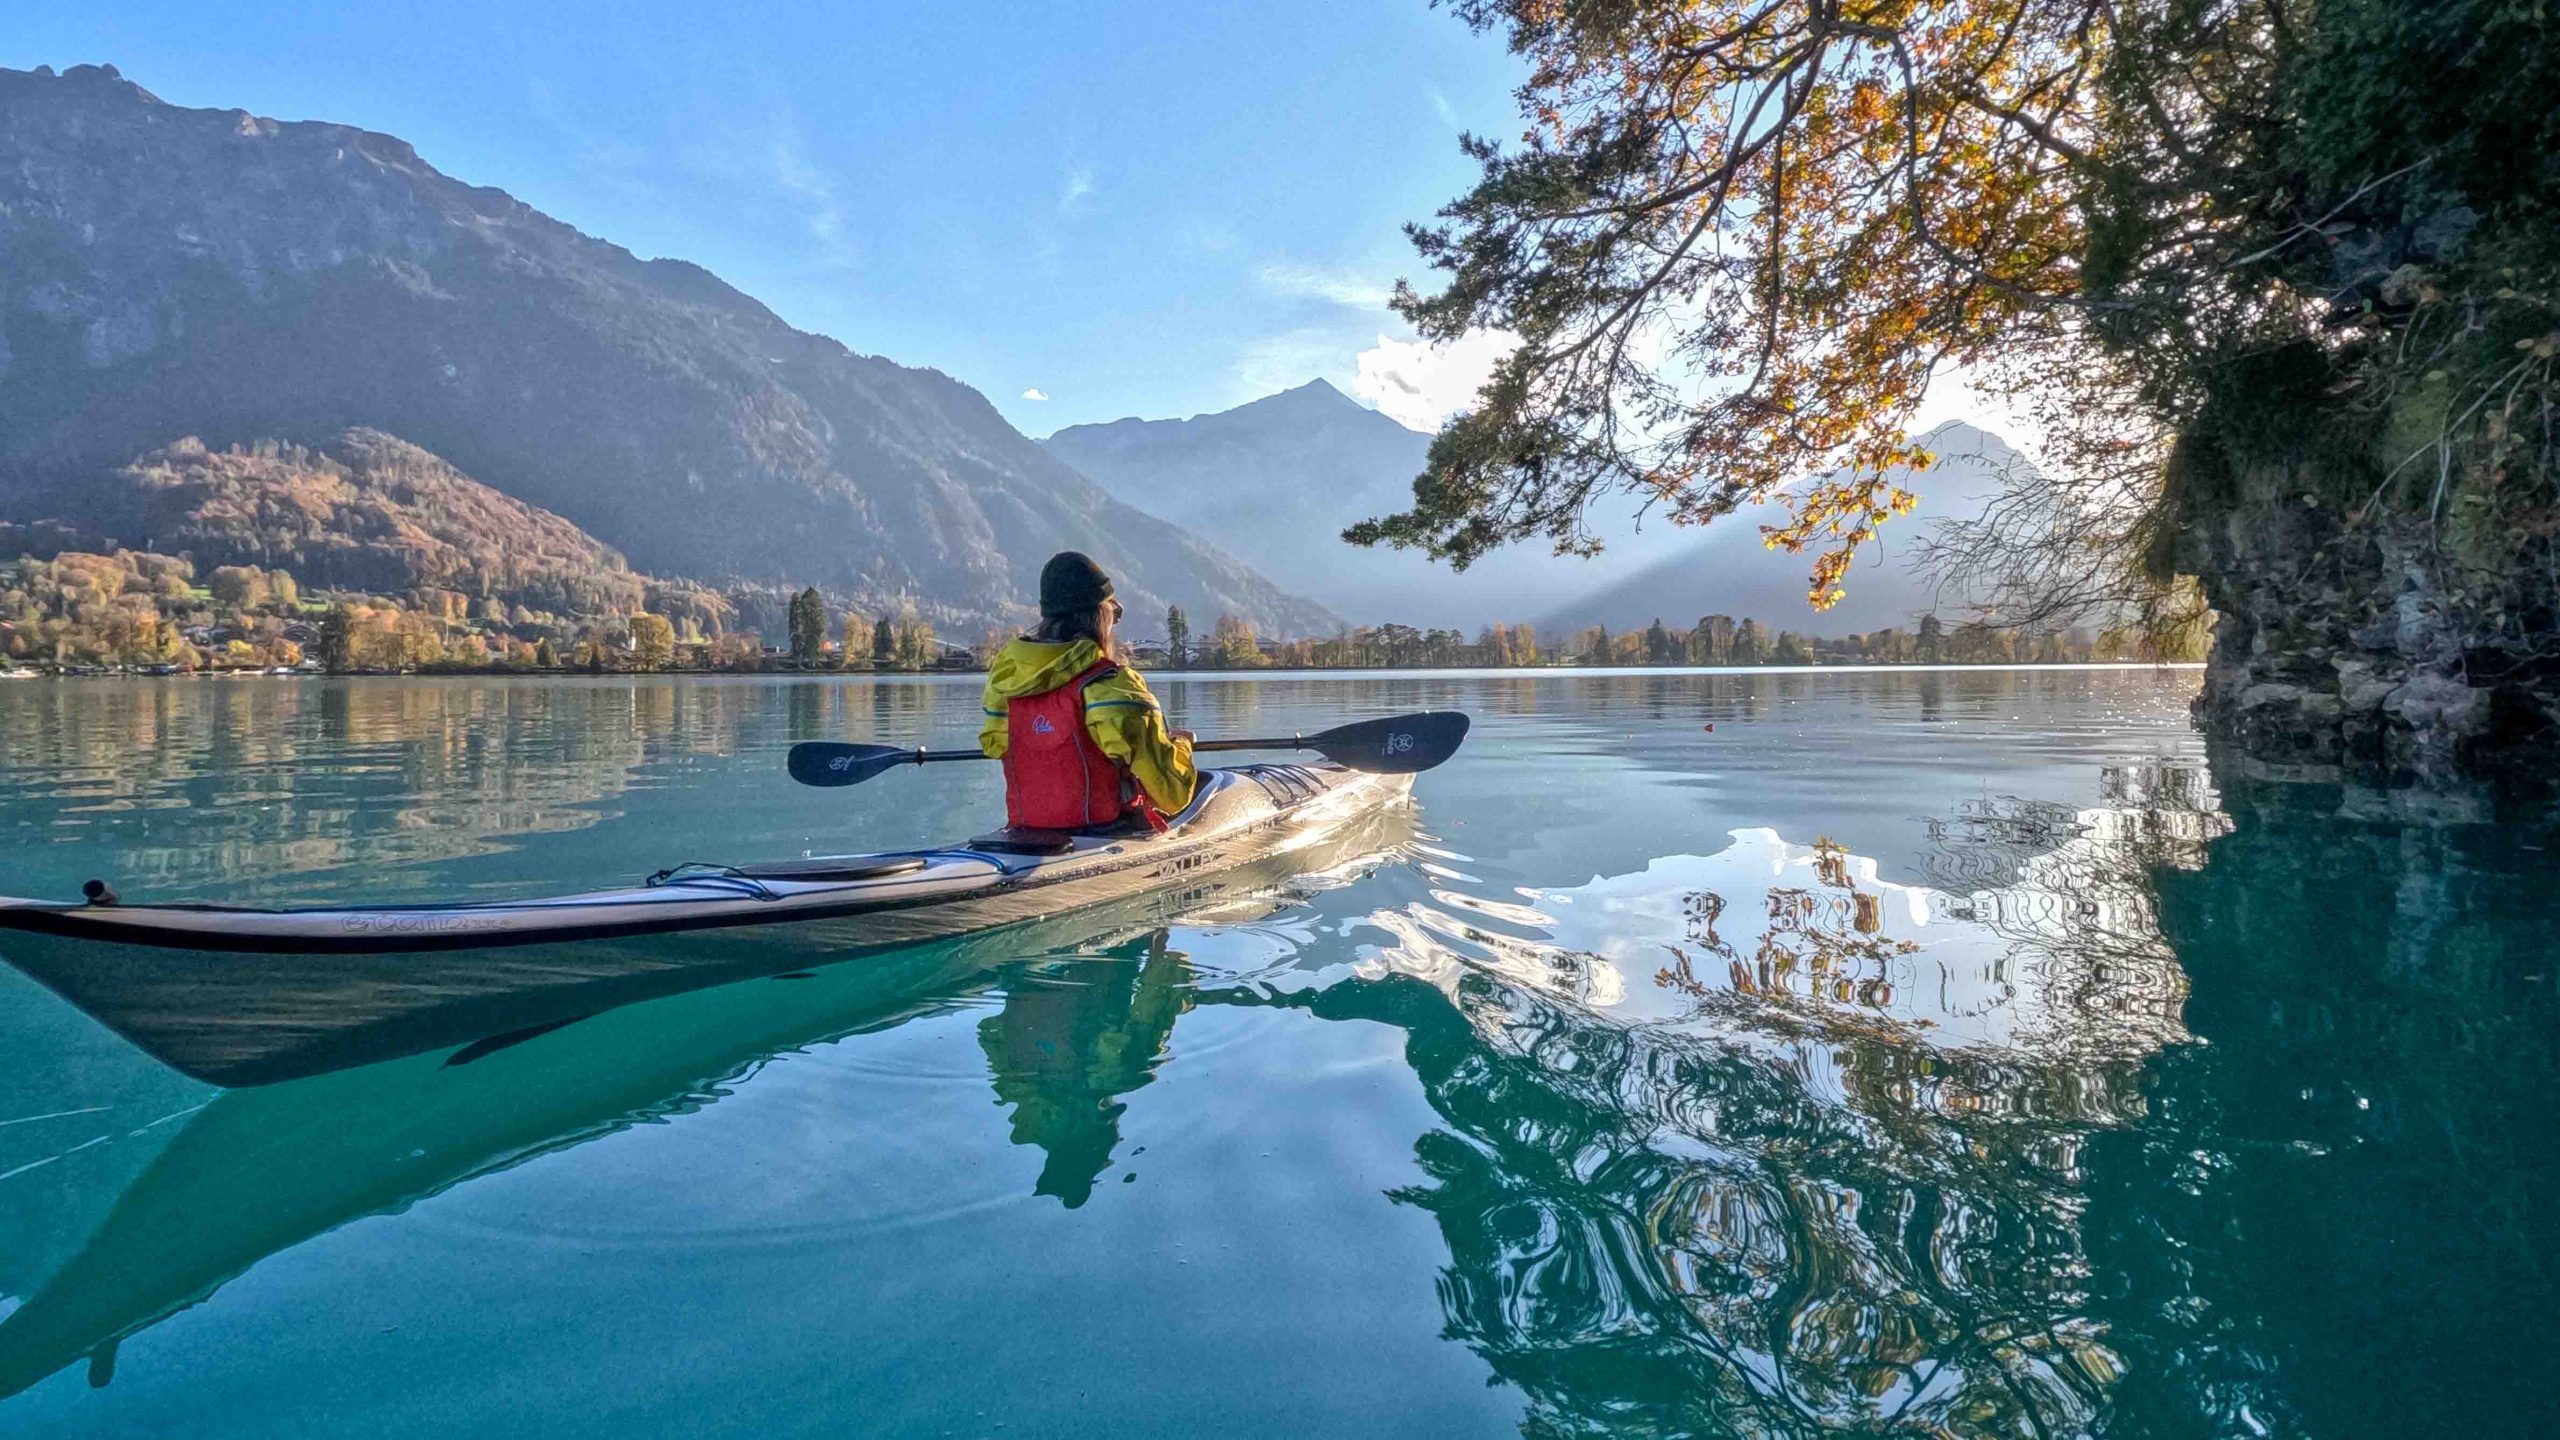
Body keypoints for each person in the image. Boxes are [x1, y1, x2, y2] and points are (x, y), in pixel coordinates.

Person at [979, 552, 1196, 831]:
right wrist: (1182, 746)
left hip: (1025, 834)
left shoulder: (1004, 684)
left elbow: (999, 748)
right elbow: (1172, 796)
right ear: (1100, 615)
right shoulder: (1113, 686)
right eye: (1114, 613)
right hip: (1104, 834)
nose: (1115, 623)